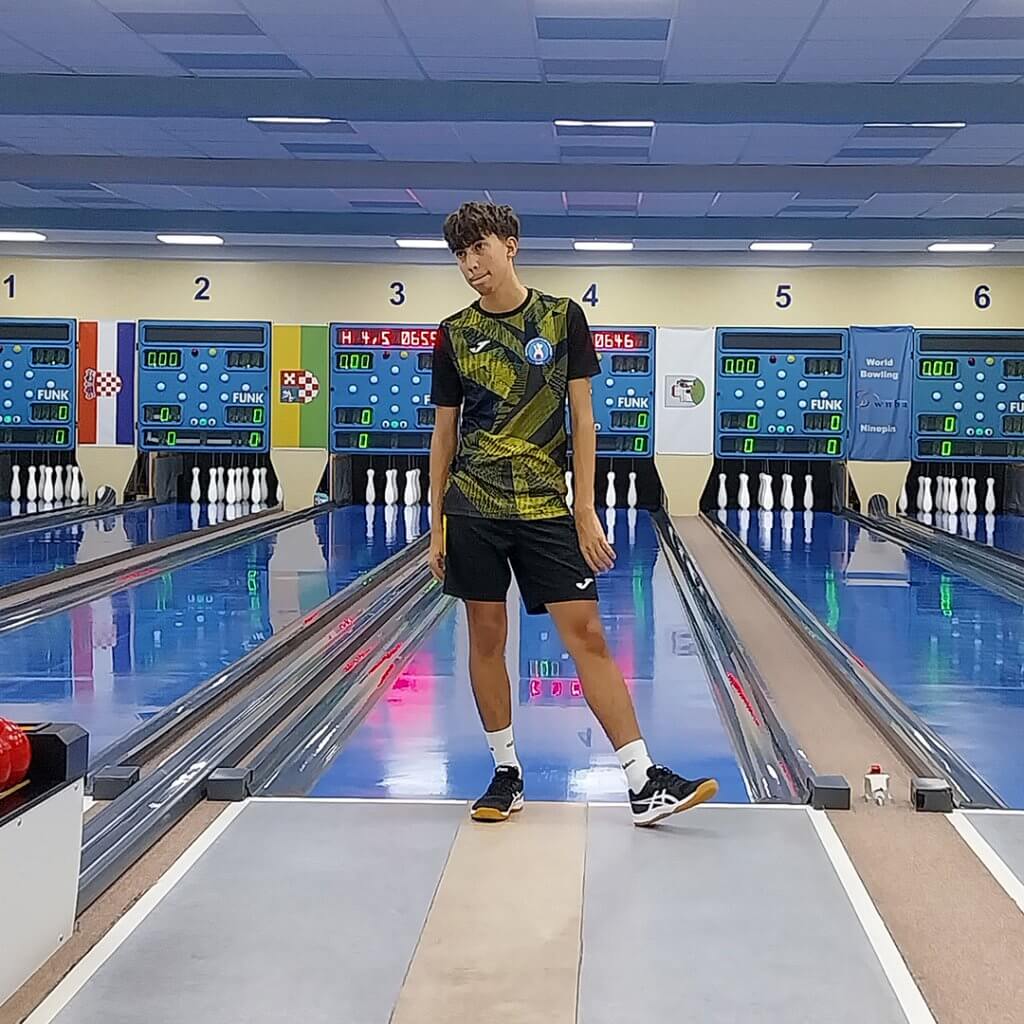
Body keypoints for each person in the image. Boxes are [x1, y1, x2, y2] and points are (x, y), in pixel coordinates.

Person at [428, 201, 718, 826]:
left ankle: (643, 779)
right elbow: (444, 434)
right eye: (460, 254)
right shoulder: (453, 334)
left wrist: (584, 509)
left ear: (510, 245)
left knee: (587, 635)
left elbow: (583, 419)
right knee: (487, 637)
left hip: (545, 507)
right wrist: (436, 526)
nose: (470, 264)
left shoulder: (562, 318)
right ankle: (506, 772)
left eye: (479, 248)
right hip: (473, 506)